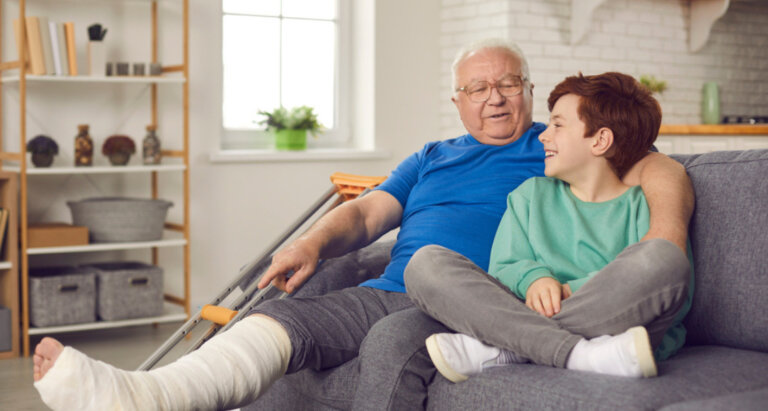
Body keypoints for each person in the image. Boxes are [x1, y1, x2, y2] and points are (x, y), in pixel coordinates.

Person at [31, 39, 694, 411]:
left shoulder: (552, 149)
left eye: (510, 84)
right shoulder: (433, 156)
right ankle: (150, 394)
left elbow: (654, 166)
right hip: (396, 283)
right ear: (459, 100)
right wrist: (312, 242)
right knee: (284, 309)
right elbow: (366, 213)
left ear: (527, 89)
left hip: (475, 302)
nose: (496, 98)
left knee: (396, 331)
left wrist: (664, 236)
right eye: (478, 88)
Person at [405, 72, 693, 384]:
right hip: (566, 324)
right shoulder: (530, 195)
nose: (544, 135)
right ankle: (578, 353)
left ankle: (511, 348)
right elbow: (504, 266)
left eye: (557, 124)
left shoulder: (641, 204)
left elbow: (671, 292)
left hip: (615, 322)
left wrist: (568, 291)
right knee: (426, 263)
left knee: (665, 257)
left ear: (600, 140)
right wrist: (533, 279)